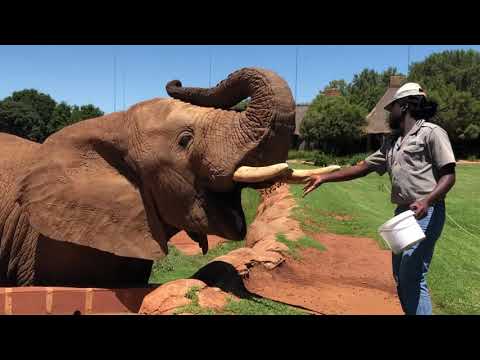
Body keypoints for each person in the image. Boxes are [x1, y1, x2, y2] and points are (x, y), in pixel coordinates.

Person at [303, 83, 456, 315]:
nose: (389, 113)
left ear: (404, 106)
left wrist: (427, 200)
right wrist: (324, 178)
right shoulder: (392, 143)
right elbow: (363, 168)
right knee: (401, 276)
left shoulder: (432, 133)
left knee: (413, 274)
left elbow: (449, 175)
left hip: (427, 212)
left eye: (391, 107)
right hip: (403, 215)